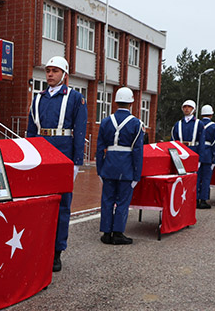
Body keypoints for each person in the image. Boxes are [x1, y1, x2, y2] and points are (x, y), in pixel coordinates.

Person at [27, 56, 87, 272]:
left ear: (64, 74)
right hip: (41, 155)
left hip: (63, 155)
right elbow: (31, 131)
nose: (50, 74)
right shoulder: (38, 98)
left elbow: (79, 132)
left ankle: (56, 251)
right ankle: (38, 246)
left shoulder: (75, 98)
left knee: (62, 205)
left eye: (55, 71)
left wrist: (75, 163)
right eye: (48, 70)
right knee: (38, 203)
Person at [95, 87, 144, 245]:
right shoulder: (136, 124)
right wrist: (137, 174)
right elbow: (137, 151)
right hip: (126, 167)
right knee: (122, 201)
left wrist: (100, 170)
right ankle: (118, 233)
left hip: (108, 166)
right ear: (131, 103)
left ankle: (106, 233)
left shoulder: (105, 121)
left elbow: (99, 148)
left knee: (107, 200)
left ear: (116, 102)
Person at [196, 105, 215, 209]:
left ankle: (195, 198)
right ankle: (203, 200)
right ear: (211, 114)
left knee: (197, 178)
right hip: (208, 154)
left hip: (197, 152)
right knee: (206, 178)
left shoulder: (197, 124)